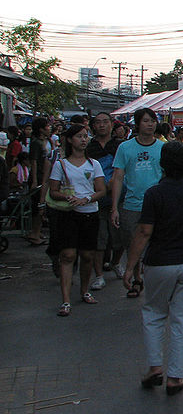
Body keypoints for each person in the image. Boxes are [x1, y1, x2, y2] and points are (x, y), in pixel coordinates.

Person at [123, 141, 183, 396]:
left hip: (159, 263)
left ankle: (155, 366)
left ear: (162, 165)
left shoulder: (153, 194)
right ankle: (176, 376)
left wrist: (130, 267)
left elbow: (144, 232)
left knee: (154, 314)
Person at [49, 124, 106, 316]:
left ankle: (84, 290)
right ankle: (65, 300)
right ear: (70, 140)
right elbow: (53, 191)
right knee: (68, 255)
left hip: (90, 213)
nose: (83, 139)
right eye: (79, 136)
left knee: (87, 255)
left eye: (85, 136)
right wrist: (67, 197)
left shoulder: (94, 164)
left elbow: (101, 190)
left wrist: (87, 199)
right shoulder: (61, 165)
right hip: (68, 214)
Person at [111, 108, 164, 298]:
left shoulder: (163, 148)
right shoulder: (125, 148)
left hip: (157, 206)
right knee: (132, 245)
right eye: (146, 121)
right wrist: (114, 208)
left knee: (156, 245)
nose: (150, 124)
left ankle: (152, 280)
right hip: (132, 205)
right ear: (137, 124)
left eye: (153, 121)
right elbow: (118, 177)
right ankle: (136, 279)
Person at [85, 112, 121, 290]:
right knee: (99, 239)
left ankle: (116, 262)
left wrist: (114, 183)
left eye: (105, 122)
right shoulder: (89, 148)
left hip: (119, 198)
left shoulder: (120, 146)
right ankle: (99, 275)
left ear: (111, 125)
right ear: (93, 126)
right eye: (98, 122)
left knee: (120, 238)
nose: (102, 125)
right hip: (95, 199)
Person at [26, 117, 51, 246]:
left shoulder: (46, 141)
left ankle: (38, 231)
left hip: (46, 176)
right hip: (39, 177)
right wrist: (35, 180)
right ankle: (34, 233)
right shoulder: (36, 143)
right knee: (38, 206)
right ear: (41, 129)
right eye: (47, 126)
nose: (49, 128)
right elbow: (34, 162)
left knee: (42, 206)